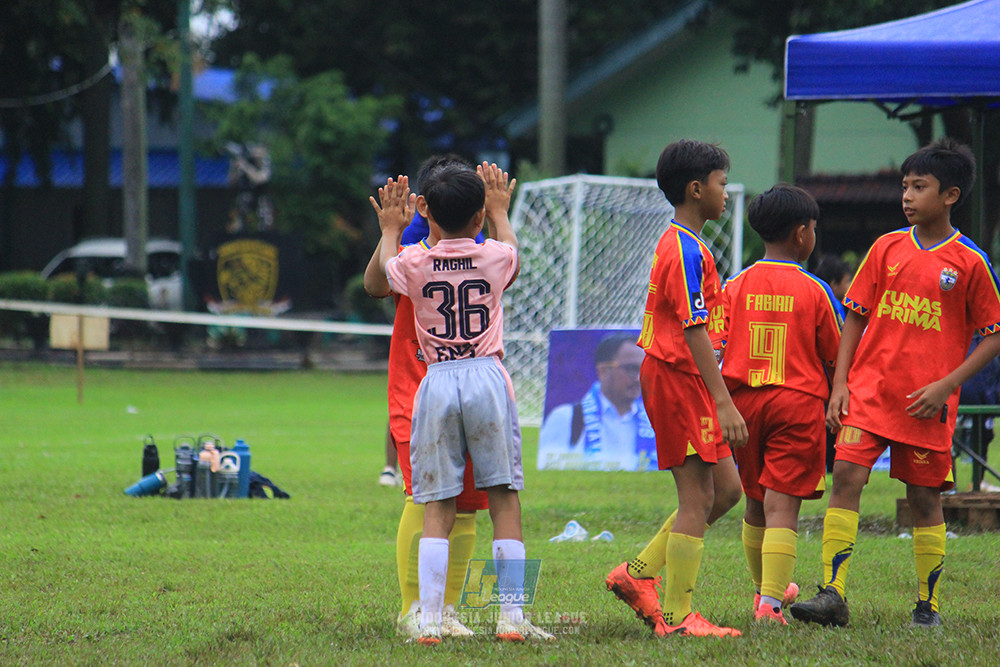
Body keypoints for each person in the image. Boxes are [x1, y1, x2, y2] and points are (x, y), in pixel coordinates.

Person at [790, 138, 1000, 629]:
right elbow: (855, 320)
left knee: (924, 499)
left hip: (925, 406)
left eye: (918, 187)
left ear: (950, 195)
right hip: (868, 394)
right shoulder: (885, 248)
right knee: (846, 478)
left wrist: (947, 385)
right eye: (904, 186)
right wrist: (840, 385)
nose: (906, 196)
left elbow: (993, 336)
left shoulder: (971, 262)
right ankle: (832, 594)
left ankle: (927, 605)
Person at [373, 162, 554, 644]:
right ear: (478, 216)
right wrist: (500, 212)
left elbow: (386, 271)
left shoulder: (412, 262)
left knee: (436, 504)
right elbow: (512, 248)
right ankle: (512, 619)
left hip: (435, 380)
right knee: (504, 500)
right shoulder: (494, 256)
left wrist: (391, 228)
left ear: (427, 215)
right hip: (487, 378)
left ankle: (429, 619)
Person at [604, 139, 748, 638]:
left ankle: (636, 574)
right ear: (696, 188)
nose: (725, 194)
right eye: (721, 184)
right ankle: (681, 617)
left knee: (727, 492)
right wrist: (725, 400)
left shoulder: (689, 244)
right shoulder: (683, 248)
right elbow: (693, 329)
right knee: (696, 498)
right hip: (677, 379)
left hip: (688, 380)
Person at [364, 155, 490, 640]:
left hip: (471, 393)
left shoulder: (475, 240)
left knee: (467, 503)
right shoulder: (412, 239)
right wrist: (389, 231)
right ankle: (413, 608)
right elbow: (375, 285)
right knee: (426, 497)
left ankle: (447, 609)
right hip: (417, 393)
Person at [713, 184, 843, 625]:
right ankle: (770, 608)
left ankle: (764, 592)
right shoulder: (815, 289)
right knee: (783, 507)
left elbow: (716, 346)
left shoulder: (734, 285)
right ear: (803, 234)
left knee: (755, 501)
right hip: (797, 404)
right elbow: (834, 354)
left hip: (743, 405)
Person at [537, 331, 656, 471]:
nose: (638, 378)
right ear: (603, 371)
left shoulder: (654, 421)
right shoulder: (566, 418)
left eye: (644, 369)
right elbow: (549, 466)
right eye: (631, 369)